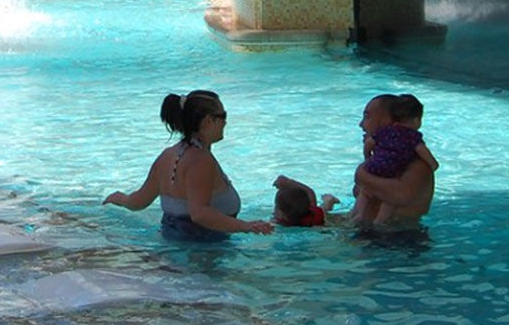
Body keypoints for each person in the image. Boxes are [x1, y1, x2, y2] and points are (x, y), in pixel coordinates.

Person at [103, 89, 273, 240]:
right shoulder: (200, 160)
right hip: (202, 254)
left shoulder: (167, 156)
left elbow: (138, 202)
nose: (226, 122)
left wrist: (120, 198)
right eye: (223, 116)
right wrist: (247, 226)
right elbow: (200, 214)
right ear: (208, 121)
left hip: (171, 244)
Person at [352, 94, 437, 229]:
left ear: (389, 122)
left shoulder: (418, 165)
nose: (361, 124)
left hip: (395, 241)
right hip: (373, 235)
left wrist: (361, 174)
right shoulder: (384, 163)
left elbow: (400, 195)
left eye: (367, 117)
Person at [272, 175, 341, 227]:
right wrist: (289, 182)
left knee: (325, 207)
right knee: (323, 209)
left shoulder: (278, 221)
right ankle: (329, 199)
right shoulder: (313, 214)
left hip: (310, 219)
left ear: (281, 213)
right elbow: (310, 192)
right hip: (314, 218)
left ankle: (330, 199)